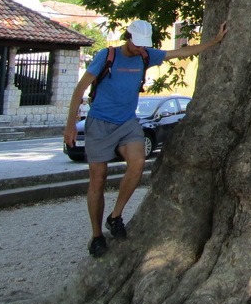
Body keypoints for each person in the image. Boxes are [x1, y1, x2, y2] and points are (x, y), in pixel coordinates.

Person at [64, 19, 228, 257]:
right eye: (137, 44)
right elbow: (80, 89)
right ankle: (97, 236)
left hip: (128, 122)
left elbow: (181, 52)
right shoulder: (107, 56)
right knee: (97, 180)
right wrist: (70, 125)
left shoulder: (145, 56)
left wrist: (214, 41)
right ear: (128, 37)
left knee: (138, 162)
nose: (141, 49)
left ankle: (116, 215)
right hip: (99, 123)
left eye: (144, 46)